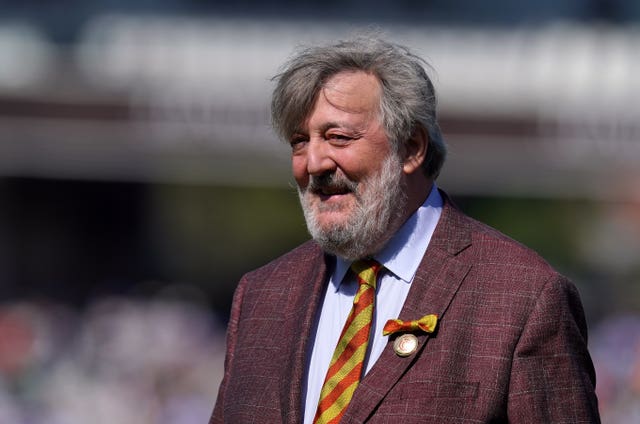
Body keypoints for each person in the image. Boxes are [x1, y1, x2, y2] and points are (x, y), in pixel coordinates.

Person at [210, 35, 600, 423]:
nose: (313, 163)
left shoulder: (522, 297)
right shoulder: (261, 296)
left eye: (338, 138)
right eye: (299, 142)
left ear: (411, 147)